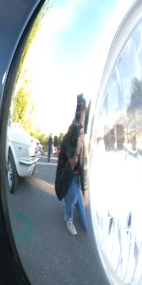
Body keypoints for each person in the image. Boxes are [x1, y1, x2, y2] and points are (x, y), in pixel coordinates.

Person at [59, 96, 88, 236]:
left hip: (78, 177)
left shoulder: (83, 134)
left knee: (86, 225)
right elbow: (72, 161)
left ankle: (75, 204)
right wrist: (77, 145)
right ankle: (68, 217)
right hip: (70, 176)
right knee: (71, 200)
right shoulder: (71, 135)